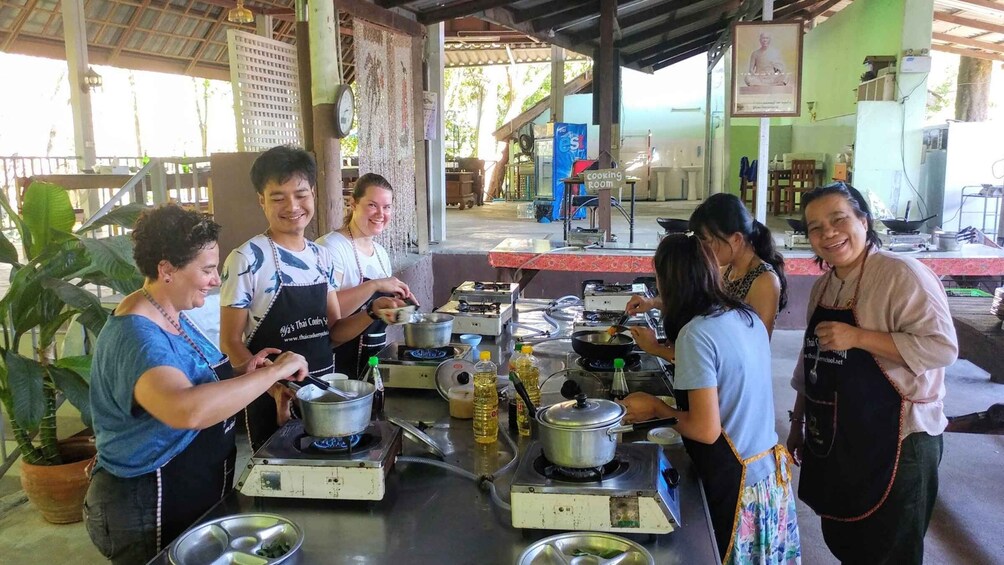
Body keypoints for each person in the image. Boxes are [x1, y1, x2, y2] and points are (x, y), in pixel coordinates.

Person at [84, 205, 309, 565]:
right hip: (148, 507)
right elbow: (187, 409)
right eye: (206, 270)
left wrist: (252, 377)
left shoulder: (170, 313)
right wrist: (272, 373)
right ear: (167, 269)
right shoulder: (137, 336)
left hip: (191, 495)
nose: (216, 280)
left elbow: (200, 380)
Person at [786, 182, 957, 564]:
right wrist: (798, 424)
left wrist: (859, 337)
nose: (827, 233)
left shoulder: (903, 275)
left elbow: (942, 348)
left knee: (890, 548)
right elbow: (810, 361)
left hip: (900, 438)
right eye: (815, 227)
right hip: (838, 434)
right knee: (845, 536)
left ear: (864, 220)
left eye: (839, 219)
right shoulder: (824, 286)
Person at [620, 234, 800, 565]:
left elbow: (705, 430)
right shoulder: (741, 315)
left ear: (668, 279)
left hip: (739, 485)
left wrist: (657, 408)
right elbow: (717, 371)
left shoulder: (695, 333)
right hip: (769, 480)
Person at [219, 145, 401, 451]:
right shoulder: (246, 258)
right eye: (278, 197)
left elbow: (332, 332)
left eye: (301, 194)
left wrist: (372, 312)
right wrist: (273, 384)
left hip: (323, 393)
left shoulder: (321, 257)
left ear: (313, 194)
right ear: (261, 200)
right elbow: (230, 343)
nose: (292, 206)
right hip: (272, 399)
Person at [317, 173, 415, 379]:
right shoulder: (332, 247)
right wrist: (375, 285)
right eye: (372, 205)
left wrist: (399, 309)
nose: (380, 213)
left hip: (371, 360)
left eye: (386, 207)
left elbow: (376, 312)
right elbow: (329, 315)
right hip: (336, 365)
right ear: (352, 204)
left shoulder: (380, 253)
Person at [690, 192, 787, 336]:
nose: (703, 249)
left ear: (736, 239)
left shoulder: (765, 281)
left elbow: (757, 346)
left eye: (708, 242)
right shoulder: (725, 270)